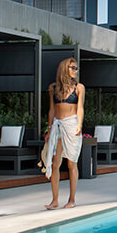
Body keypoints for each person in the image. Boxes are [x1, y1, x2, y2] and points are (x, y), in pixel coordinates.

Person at [43, 57, 85, 210]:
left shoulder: (79, 87)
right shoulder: (53, 88)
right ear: (65, 69)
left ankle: (72, 199)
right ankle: (55, 200)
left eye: (76, 68)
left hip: (72, 125)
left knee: (71, 163)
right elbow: (52, 109)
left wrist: (79, 124)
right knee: (55, 163)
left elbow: (80, 108)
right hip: (57, 126)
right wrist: (49, 129)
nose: (76, 70)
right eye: (73, 67)